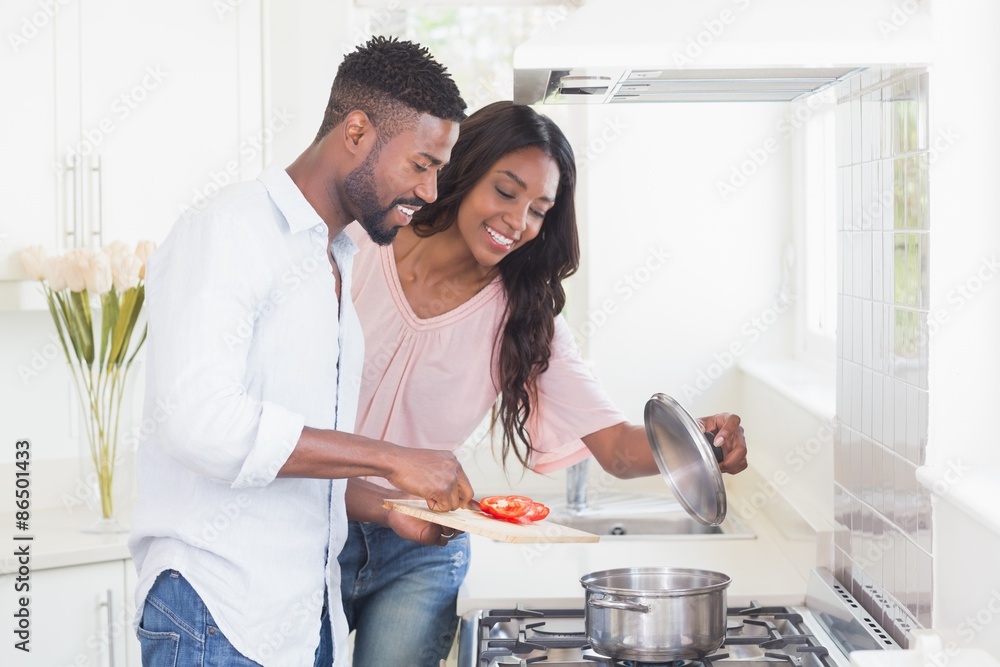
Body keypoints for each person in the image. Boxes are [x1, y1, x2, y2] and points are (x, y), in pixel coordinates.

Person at [337, 100, 750, 667]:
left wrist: (697, 441)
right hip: (309, 522)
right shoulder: (358, 245)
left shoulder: (525, 319)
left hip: (422, 543)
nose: (518, 222)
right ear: (463, 169)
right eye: (506, 192)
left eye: (539, 210)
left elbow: (618, 451)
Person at [128, 37, 476, 667]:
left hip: (304, 622)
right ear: (357, 132)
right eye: (421, 164)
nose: (429, 191)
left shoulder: (336, 260)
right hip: (215, 616)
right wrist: (395, 460)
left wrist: (389, 508)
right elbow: (200, 425)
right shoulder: (230, 229)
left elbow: (287, 468)